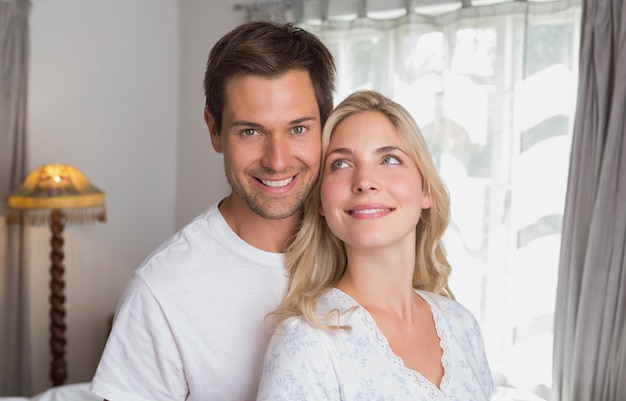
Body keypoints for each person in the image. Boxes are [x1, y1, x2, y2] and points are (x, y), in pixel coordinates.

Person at [89, 21, 335, 401]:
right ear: (214, 130)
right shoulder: (161, 291)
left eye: (298, 129)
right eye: (251, 131)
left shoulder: (359, 247)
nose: (278, 159)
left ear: (325, 124)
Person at [256, 90, 494, 401]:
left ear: (426, 191)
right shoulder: (306, 342)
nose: (365, 180)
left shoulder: (461, 325)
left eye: (390, 159)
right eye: (340, 164)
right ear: (322, 204)